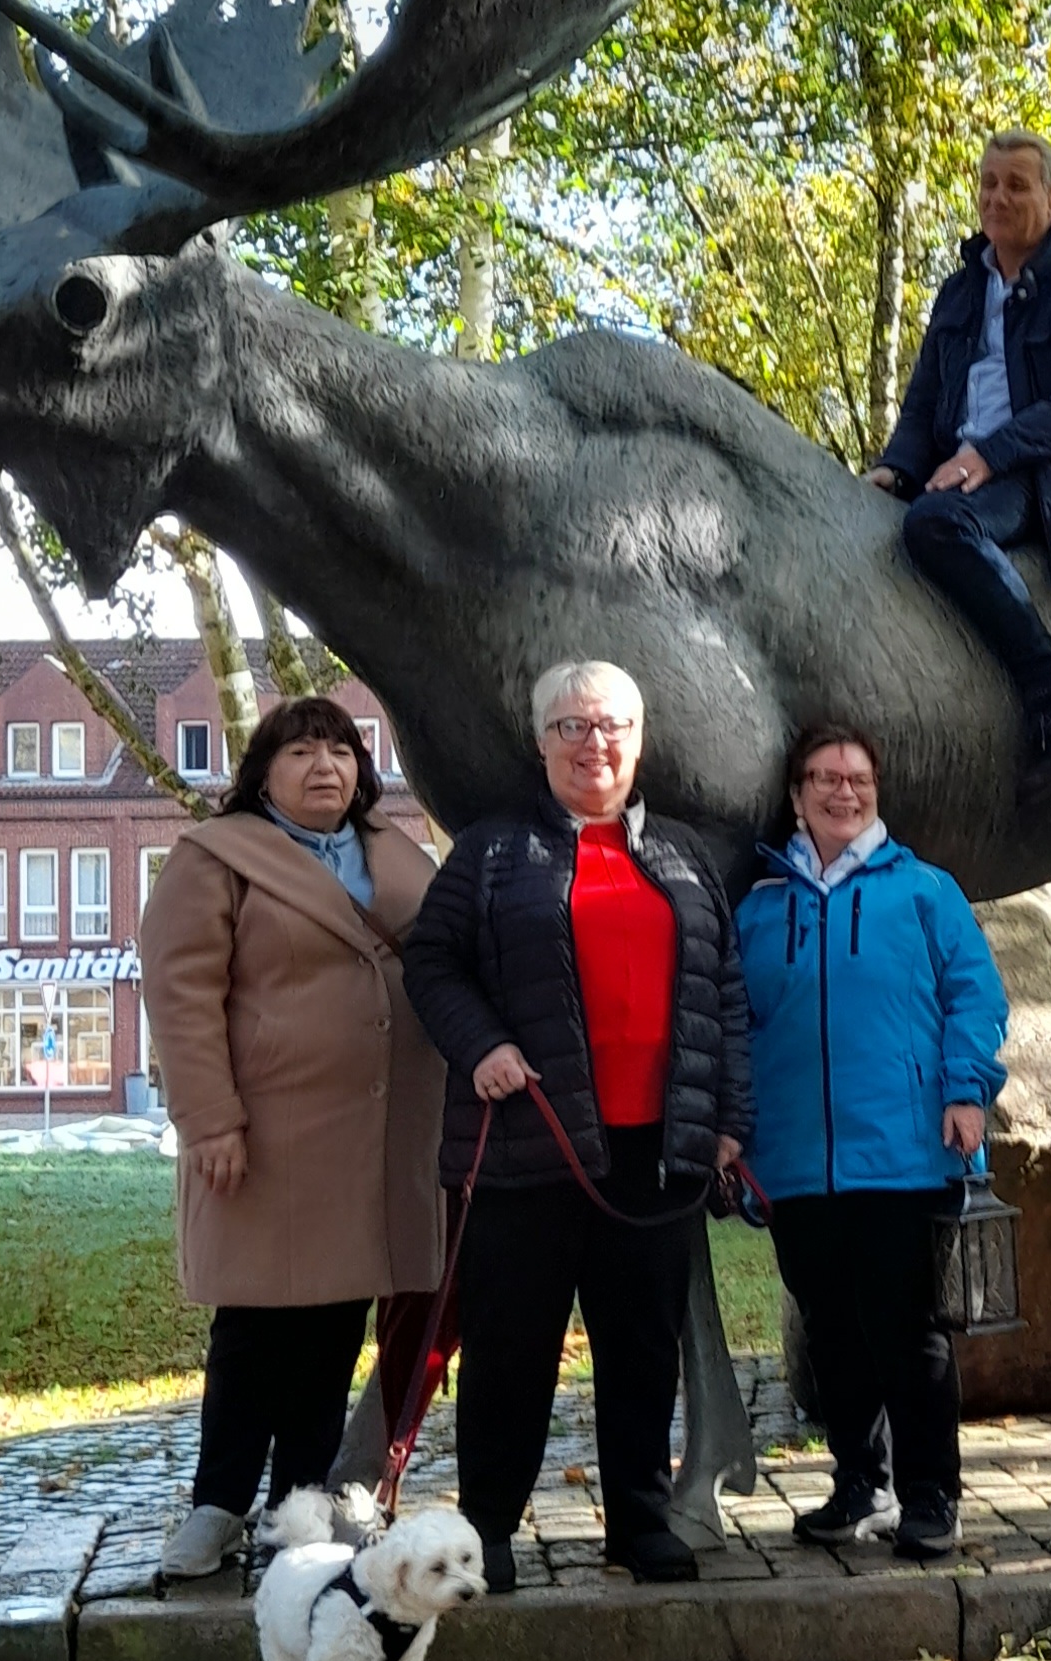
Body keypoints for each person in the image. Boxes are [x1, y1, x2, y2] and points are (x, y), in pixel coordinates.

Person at [402, 660, 752, 1591]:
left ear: (638, 741)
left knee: (641, 1348)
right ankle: (489, 1533)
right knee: (511, 1348)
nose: (592, 745)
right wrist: (481, 1046)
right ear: (540, 741)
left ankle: (638, 1519)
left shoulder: (684, 856)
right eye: (571, 727)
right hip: (529, 1146)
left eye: (610, 727)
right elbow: (431, 962)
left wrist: (727, 1123)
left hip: (659, 1153)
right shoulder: (488, 852)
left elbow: (724, 998)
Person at [141, 696, 447, 1579]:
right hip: (264, 1137)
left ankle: (299, 1507)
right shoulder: (216, 857)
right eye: (302, 750)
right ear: (263, 771)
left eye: (342, 750)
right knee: (253, 1330)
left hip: (378, 1139)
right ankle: (217, 1505)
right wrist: (209, 1119)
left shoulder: (396, 854)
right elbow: (181, 994)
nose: (326, 766)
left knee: (332, 1329)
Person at [736, 723, 1009, 1561]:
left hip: (901, 1152)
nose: (840, 791)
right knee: (830, 1332)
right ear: (795, 795)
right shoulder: (758, 907)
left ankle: (932, 1495)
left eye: (855, 777)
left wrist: (966, 1089)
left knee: (909, 1332)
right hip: (794, 1159)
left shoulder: (926, 891)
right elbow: (735, 1025)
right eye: (822, 777)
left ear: (876, 789)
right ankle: (861, 1481)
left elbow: (977, 997)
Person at [870, 132, 1051, 796]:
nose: (997, 197)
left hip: (1050, 480)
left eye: (1016, 185)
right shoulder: (958, 292)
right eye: (988, 183)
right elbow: (922, 401)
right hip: (962, 469)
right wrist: (897, 467)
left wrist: (991, 453)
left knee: (936, 526)